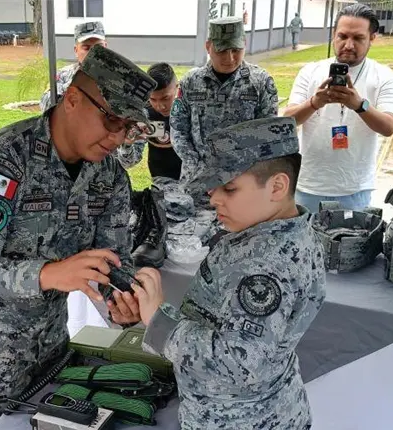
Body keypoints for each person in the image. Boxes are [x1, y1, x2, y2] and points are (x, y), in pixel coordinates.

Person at [0, 45, 155, 430]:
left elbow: (113, 259)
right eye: (111, 120)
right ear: (72, 99)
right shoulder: (1, 161)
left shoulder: (108, 176)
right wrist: (49, 274)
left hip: (51, 339)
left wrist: (121, 301)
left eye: (129, 127)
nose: (118, 138)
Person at [133, 117, 326, 430]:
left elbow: (237, 362)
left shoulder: (266, 265)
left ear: (277, 186)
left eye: (230, 188)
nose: (213, 199)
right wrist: (148, 314)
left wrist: (159, 321)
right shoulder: (269, 233)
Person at [283, 3, 393, 212]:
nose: (349, 45)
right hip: (308, 185)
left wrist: (360, 105)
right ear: (333, 35)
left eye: (358, 38)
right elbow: (287, 120)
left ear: (372, 38)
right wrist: (313, 103)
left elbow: (388, 127)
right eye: (342, 36)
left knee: (351, 235)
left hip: (354, 188)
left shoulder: (383, 76)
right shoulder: (310, 71)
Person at [171, 16, 279, 205]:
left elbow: (267, 133)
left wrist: (238, 170)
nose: (230, 58)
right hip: (198, 185)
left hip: (243, 185)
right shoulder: (191, 81)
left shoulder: (261, 82)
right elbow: (178, 129)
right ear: (208, 47)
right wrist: (199, 166)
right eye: (222, 50)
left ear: (244, 44)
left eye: (236, 50)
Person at [116, 62, 182, 180]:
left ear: (177, 87)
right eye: (153, 99)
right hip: (164, 183)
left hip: (197, 181)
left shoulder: (193, 109)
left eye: (166, 98)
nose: (160, 106)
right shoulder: (145, 115)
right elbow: (128, 163)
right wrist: (127, 144)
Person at [39, 21, 107, 111]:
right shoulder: (63, 75)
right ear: (76, 50)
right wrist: (72, 87)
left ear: (105, 47)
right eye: (86, 48)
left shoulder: (118, 75)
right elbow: (46, 105)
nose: (93, 53)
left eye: (98, 47)